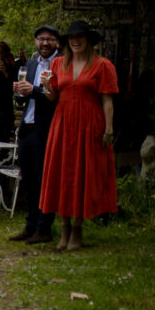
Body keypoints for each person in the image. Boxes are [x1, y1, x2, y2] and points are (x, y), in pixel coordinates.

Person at [40, 20, 118, 251]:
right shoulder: (57, 63)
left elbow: (107, 100)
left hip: (89, 125)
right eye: (72, 38)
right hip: (63, 124)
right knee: (62, 174)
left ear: (88, 40)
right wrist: (46, 86)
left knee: (84, 173)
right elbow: (52, 96)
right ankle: (64, 229)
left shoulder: (102, 65)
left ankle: (77, 229)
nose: (75, 41)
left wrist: (109, 129)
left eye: (80, 37)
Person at [11, 25, 60, 245]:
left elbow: (57, 96)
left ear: (56, 42)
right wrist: (19, 92)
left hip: (46, 129)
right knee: (29, 180)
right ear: (35, 41)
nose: (45, 43)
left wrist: (34, 90)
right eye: (41, 39)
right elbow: (22, 99)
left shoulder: (60, 64)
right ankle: (30, 227)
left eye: (49, 39)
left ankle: (44, 228)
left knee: (44, 180)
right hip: (26, 128)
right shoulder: (30, 64)